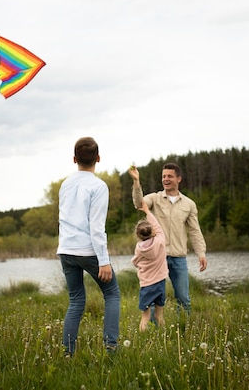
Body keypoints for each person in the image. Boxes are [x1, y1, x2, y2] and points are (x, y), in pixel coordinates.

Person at [57, 137, 120, 356]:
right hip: (88, 250)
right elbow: (96, 226)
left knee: (75, 301)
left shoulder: (66, 184)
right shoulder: (98, 186)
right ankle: (111, 350)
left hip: (65, 249)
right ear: (98, 158)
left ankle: (68, 354)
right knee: (112, 294)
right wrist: (104, 261)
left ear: (74, 159)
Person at [129, 163, 207, 316]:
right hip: (157, 258)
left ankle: (184, 331)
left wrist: (201, 253)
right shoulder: (154, 198)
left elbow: (194, 231)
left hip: (178, 258)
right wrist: (136, 182)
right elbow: (139, 204)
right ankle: (153, 333)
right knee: (152, 300)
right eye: (164, 176)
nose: (166, 179)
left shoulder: (189, 204)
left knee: (183, 298)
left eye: (170, 176)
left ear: (179, 179)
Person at [131, 198, 168, 332]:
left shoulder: (139, 248)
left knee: (145, 317)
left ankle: (142, 337)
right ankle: (164, 336)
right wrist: (147, 210)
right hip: (160, 283)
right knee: (159, 315)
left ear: (138, 235)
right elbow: (157, 225)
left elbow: (135, 262)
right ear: (152, 232)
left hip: (146, 285)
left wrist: (138, 263)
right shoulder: (160, 240)